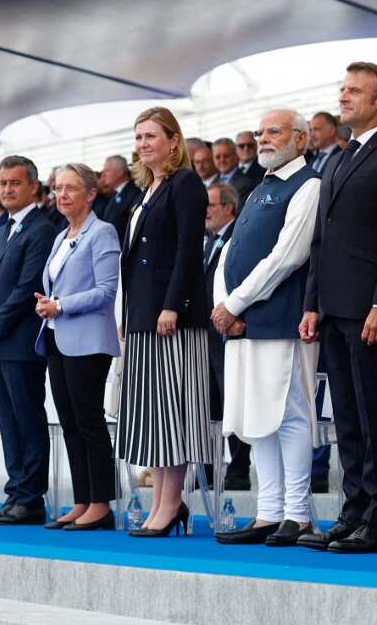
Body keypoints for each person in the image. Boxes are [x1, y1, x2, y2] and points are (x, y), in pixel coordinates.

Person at [298, 61, 377, 555]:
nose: (343, 97)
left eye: (354, 91)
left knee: (376, 414)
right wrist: (311, 303)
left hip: (370, 308)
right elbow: (321, 237)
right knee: (346, 417)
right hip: (333, 308)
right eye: (342, 88)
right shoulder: (339, 157)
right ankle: (352, 513)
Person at [214, 109, 321, 546]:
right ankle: (268, 511)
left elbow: (288, 255)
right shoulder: (261, 188)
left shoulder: (308, 185)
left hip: (280, 318)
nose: (263, 139)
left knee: (289, 413)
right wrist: (224, 305)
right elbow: (229, 252)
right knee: (257, 418)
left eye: (273, 131)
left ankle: (298, 514)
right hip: (243, 322)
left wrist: (235, 302)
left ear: (300, 139)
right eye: (259, 133)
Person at [115, 106, 213, 538]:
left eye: (151, 136)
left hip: (171, 315)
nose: (143, 144)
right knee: (151, 415)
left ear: (174, 140)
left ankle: (171, 503)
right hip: (142, 315)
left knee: (173, 412)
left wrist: (173, 304)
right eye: (138, 137)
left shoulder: (185, 184)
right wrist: (127, 314)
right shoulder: (147, 190)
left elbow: (189, 251)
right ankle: (160, 500)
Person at [35, 163, 120, 531]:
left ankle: (100, 503)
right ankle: (82, 500)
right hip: (56, 335)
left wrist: (61, 305)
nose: (62, 195)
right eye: (57, 188)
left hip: (87, 339)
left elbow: (106, 291)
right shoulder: (61, 235)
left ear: (90, 193)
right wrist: (49, 305)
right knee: (69, 422)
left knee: (89, 421)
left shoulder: (102, 233)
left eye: (70, 188)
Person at [0, 156, 57, 526]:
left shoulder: (41, 229)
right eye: (3, 183)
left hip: (19, 342)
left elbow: (26, 289)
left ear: (33, 188)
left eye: (15, 183)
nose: (7, 190)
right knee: (8, 420)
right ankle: (15, 492)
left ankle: (30, 497)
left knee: (27, 418)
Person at [203, 183, 251, 490]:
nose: (205, 211)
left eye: (211, 205)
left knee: (233, 400)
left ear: (229, 208)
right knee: (208, 403)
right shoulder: (206, 240)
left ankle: (239, 469)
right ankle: (208, 469)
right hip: (206, 335)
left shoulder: (238, 237)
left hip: (230, 330)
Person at [95, 155, 142, 245]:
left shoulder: (134, 193)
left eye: (107, 171)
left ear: (120, 172)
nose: (103, 174)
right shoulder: (115, 193)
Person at [212, 138, 256, 207]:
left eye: (226, 156)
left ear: (236, 156)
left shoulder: (247, 184)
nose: (222, 160)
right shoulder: (212, 184)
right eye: (217, 157)